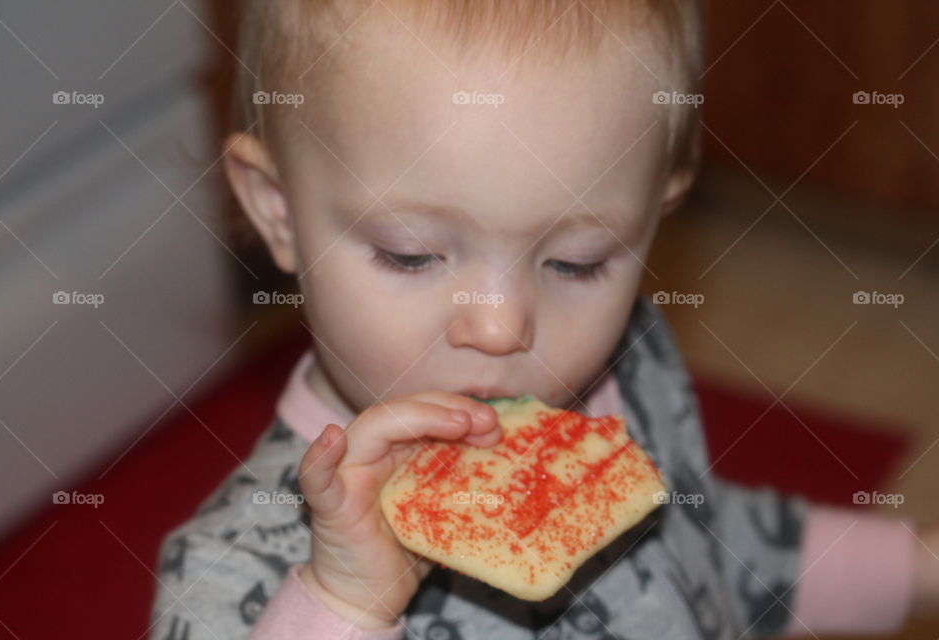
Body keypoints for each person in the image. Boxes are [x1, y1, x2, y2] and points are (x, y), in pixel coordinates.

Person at [149, 1, 939, 638]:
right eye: (412, 254)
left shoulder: (624, 368)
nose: (499, 330)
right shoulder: (232, 574)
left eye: (578, 262)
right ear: (278, 213)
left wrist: (912, 570)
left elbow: (702, 545)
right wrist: (346, 607)